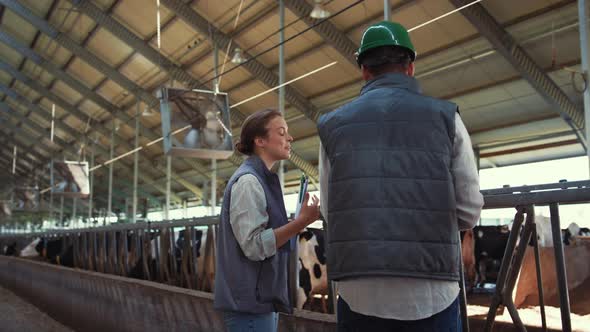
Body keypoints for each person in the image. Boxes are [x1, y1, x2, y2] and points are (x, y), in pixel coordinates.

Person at [317, 21, 484, 331]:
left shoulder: (332, 127)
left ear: (364, 71)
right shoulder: (446, 118)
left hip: (358, 293)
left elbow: (329, 211)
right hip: (430, 292)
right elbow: (469, 210)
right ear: (410, 68)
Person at [214, 109, 320, 332]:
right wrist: (300, 223)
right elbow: (254, 246)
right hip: (249, 306)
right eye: (281, 132)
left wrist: (297, 220)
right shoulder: (248, 182)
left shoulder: (262, 179)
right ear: (260, 140)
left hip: (258, 300)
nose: (289, 138)